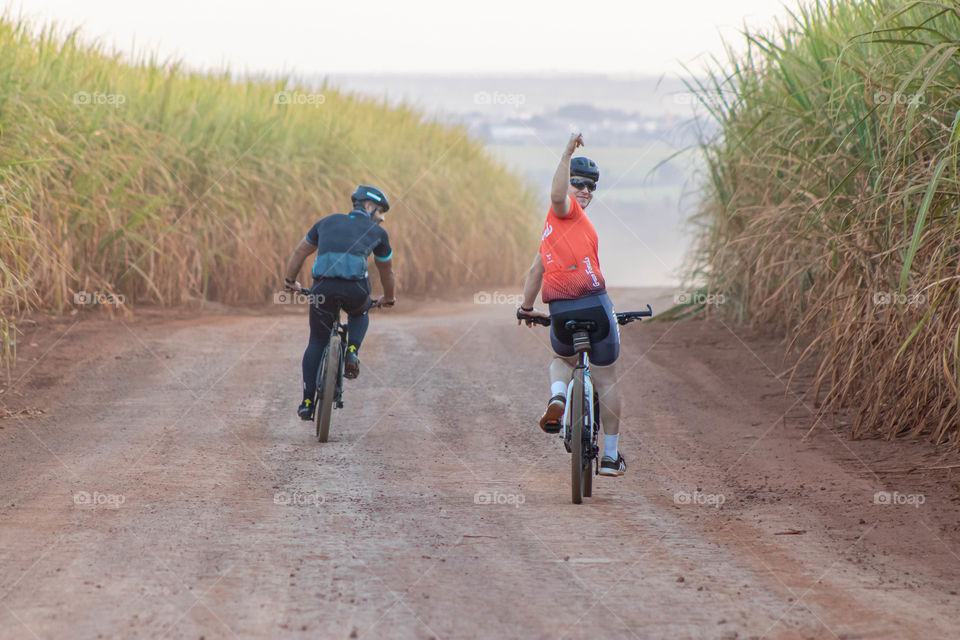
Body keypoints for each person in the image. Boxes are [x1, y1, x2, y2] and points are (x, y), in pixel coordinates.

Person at [517, 133, 626, 477]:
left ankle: (559, 397)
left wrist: (525, 307)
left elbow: (537, 270)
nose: (585, 190)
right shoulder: (566, 211)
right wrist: (565, 151)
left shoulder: (554, 231)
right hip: (596, 304)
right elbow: (556, 195)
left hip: (561, 309)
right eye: (579, 182)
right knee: (606, 377)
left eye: (591, 186)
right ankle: (609, 457)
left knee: (562, 359)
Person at [283, 185, 396, 421]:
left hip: (322, 290)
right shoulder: (377, 233)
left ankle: (306, 402)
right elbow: (387, 271)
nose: (382, 218)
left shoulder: (325, 222)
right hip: (355, 290)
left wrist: (289, 281)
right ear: (368, 206)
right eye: (381, 212)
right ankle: (352, 351)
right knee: (360, 311)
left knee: (316, 340)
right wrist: (389, 297)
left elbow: (300, 252)